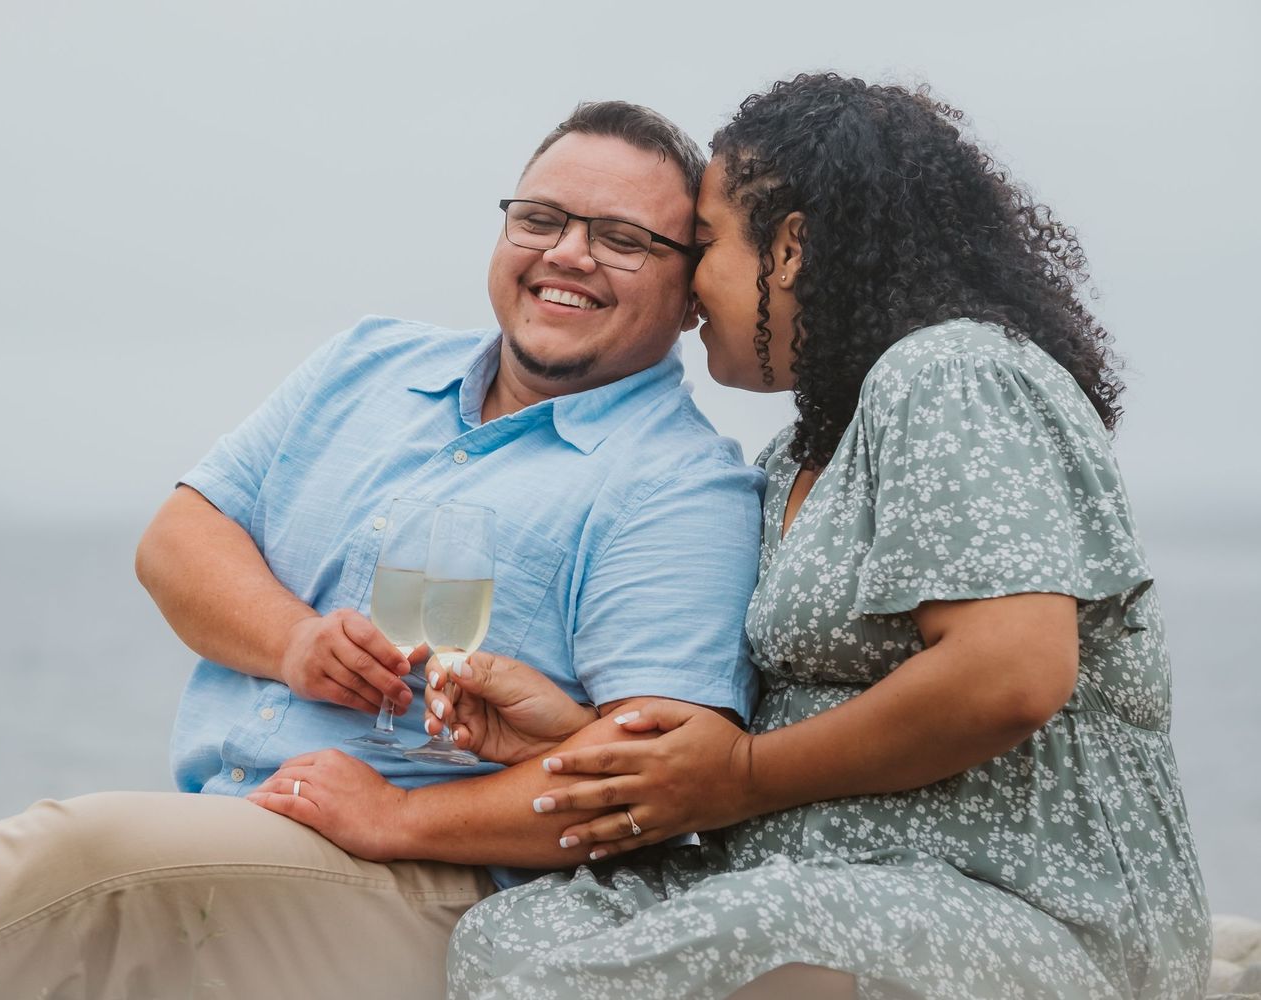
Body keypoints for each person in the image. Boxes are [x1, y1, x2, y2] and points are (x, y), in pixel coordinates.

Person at [0, 102, 765, 1000]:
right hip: (233, 832)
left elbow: (655, 778)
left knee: (85, 859)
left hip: (426, 892)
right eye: (541, 218)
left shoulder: (679, 484)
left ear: (689, 293)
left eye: (623, 239)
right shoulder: (369, 362)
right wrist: (293, 643)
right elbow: (178, 541)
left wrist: (399, 821)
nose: (568, 253)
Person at [423, 75, 1211, 999]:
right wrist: (587, 744)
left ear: (789, 247)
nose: (686, 289)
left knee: (730, 939)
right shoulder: (797, 449)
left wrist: (742, 777)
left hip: (1027, 901)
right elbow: (753, 730)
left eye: (705, 246)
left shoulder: (954, 372)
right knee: (520, 933)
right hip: (808, 876)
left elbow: (1011, 674)